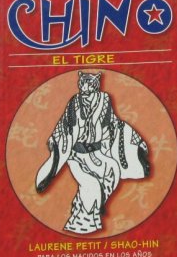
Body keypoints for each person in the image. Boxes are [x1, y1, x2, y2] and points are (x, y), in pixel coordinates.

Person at [36, 71, 150, 234]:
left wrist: (128, 136)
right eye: (82, 84)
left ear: (96, 85)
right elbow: (65, 125)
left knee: (113, 171)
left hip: (98, 153)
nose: (85, 88)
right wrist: (59, 147)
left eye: (89, 84)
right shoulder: (75, 102)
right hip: (76, 155)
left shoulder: (104, 99)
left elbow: (111, 122)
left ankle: (91, 213)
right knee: (91, 184)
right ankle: (81, 224)